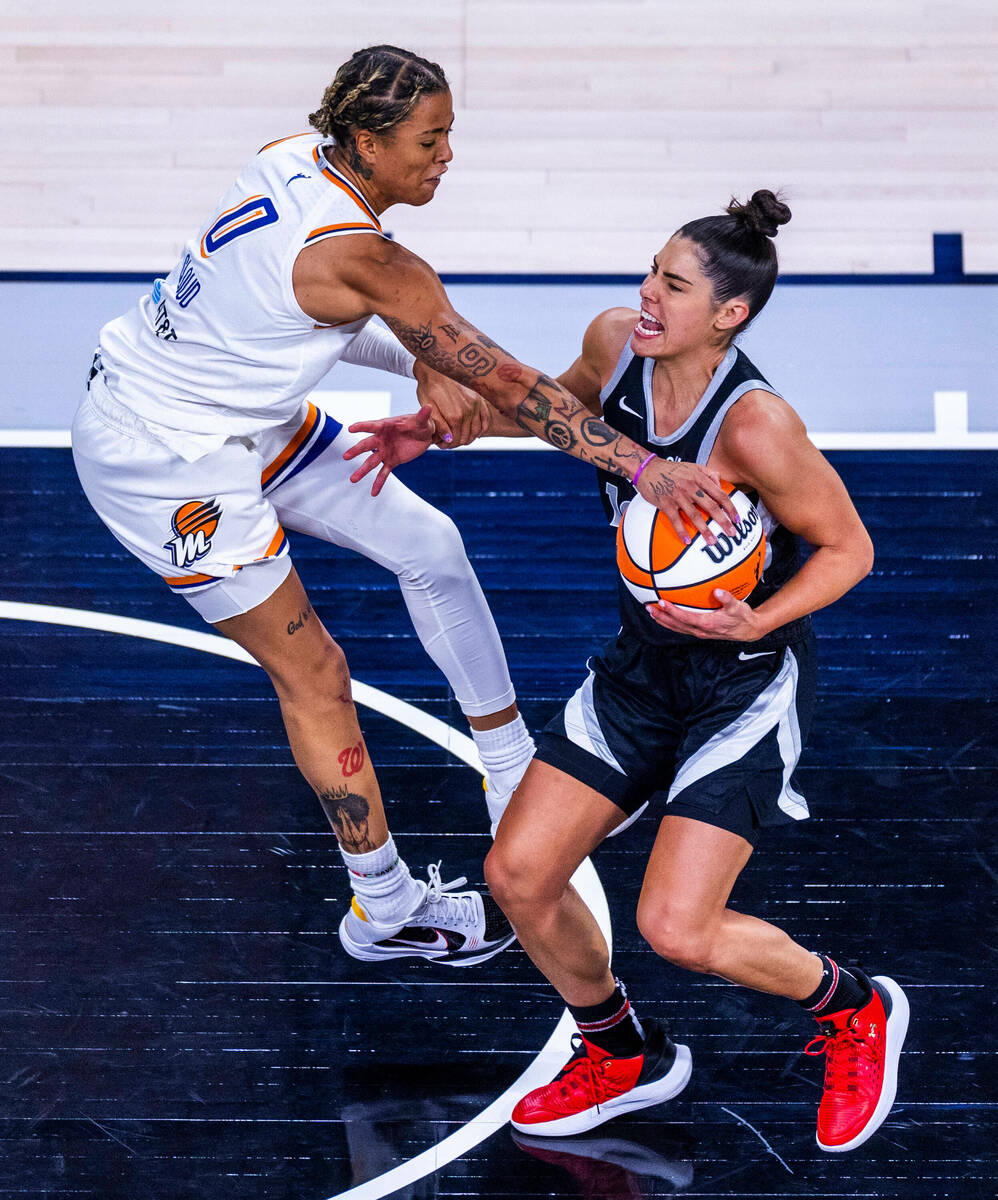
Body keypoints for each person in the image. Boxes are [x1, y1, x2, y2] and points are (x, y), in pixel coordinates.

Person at [70, 45, 737, 970]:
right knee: (317, 677)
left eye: (450, 134)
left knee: (433, 543)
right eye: (430, 139)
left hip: (239, 412)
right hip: (163, 459)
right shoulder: (375, 261)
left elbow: (318, 313)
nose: (446, 156)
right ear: (366, 141)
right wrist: (646, 470)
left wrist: (426, 355)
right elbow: (504, 380)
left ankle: (507, 770)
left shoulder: (289, 158)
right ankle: (382, 906)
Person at [404, 190, 907, 1150]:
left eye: (673, 287)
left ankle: (852, 1008)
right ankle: (622, 1050)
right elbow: (560, 414)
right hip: (641, 668)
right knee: (517, 874)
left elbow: (849, 550)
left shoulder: (755, 428)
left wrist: (754, 618)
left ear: (730, 315)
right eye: (650, 271)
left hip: (741, 681)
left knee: (678, 927)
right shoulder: (616, 345)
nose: (646, 295)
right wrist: (450, 426)